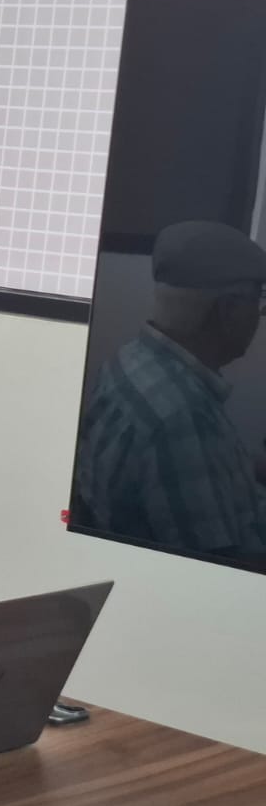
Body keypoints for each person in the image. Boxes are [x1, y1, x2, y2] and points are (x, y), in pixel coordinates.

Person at [74, 219, 266, 561]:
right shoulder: (184, 420)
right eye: (257, 300)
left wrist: (248, 468)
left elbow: (188, 475)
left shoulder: (130, 360)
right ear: (227, 310)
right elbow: (222, 568)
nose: (259, 314)